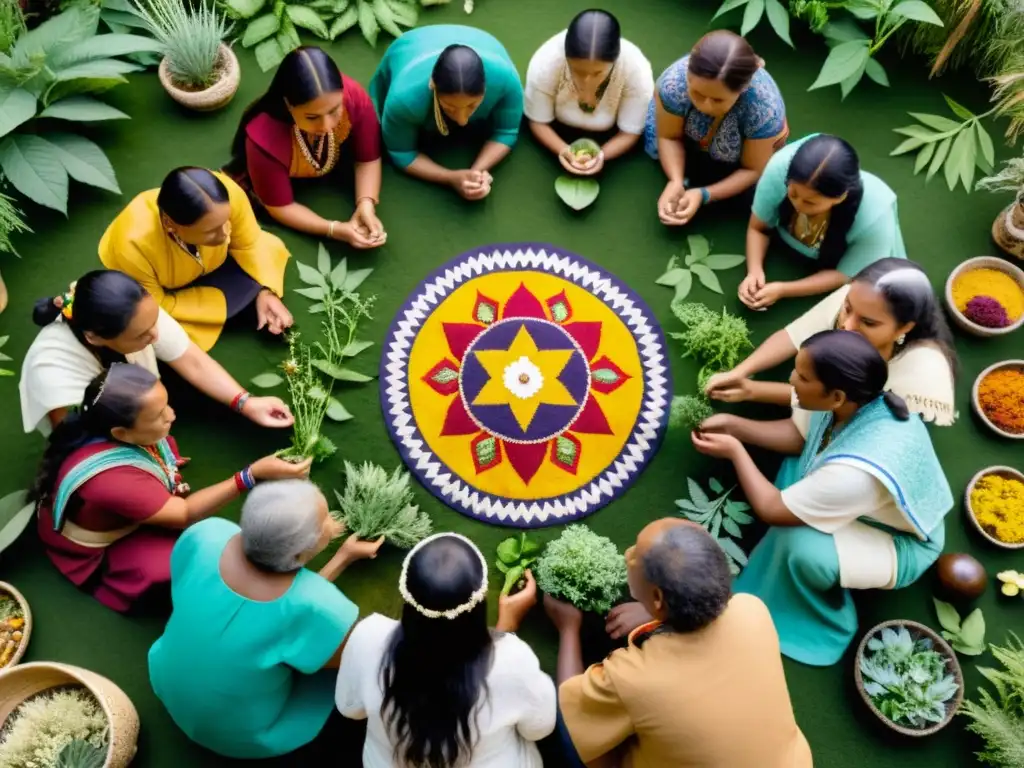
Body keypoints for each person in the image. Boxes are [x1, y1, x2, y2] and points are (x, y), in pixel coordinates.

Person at [693, 330, 953, 666]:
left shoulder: (852, 476)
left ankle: (819, 617)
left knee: (800, 545)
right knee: (793, 471)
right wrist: (736, 425)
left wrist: (736, 452)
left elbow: (773, 509)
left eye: (801, 376)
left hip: (902, 541)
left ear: (836, 396)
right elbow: (802, 440)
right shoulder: (856, 400)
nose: (791, 379)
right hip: (862, 501)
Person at [29, 363, 311, 613]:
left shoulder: (114, 430)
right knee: (186, 562)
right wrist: (251, 475)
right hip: (110, 540)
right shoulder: (111, 482)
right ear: (120, 434)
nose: (172, 415)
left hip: (124, 496)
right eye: (158, 415)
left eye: (166, 405)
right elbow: (184, 513)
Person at [547, 519, 811, 768]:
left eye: (635, 555)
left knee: (564, 722)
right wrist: (656, 613)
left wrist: (568, 628)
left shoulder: (633, 678)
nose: (628, 554)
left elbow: (573, 710)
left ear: (658, 597)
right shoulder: (752, 610)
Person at [149, 479, 382, 759]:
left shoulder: (206, 534)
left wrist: (341, 556)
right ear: (298, 553)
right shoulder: (323, 608)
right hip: (239, 733)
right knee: (345, 666)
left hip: (165, 681)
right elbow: (324, 641)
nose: (332, 524)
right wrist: (341, 557)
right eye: (324, 525)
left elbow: (284, 605)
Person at [335, 532, 556, 767]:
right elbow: (539, 728)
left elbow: (350, 709)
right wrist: (507, 630)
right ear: (479, 603)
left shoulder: (367, 637)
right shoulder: (514, 659)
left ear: (407, 597)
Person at [20, 270, 293, 436]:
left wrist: (246, 403)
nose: (156, 336)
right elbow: (77, 440)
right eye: (142, 335)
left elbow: (192, 360)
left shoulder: (134, 308)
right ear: (96, 337)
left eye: (154, 323)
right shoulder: (55, 378)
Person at [705, 257, 958, 432]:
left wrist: (750, 397)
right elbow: (794, 335)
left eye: (868, 323)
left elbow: (822, 418)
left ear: (904, 328)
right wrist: (740, 373)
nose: (847, 324)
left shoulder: (917, 377)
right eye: (847, 308)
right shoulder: (862, 298)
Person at [99, 166, 293, 351]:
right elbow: (156, 305)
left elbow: (250, 243)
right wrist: (238, 299)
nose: (225, 234)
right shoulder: (131, 245)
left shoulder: (230, 193)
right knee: (152, 326)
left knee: (269, 248)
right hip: (165, 288)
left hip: (215, 263)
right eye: (210, 231)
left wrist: (265, 290)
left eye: (226, 221)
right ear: (169, 223)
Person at [227, 46, 386, 249]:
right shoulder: (263, 140)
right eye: (312, 117)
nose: (327, 126)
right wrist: (334, 229)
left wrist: (366, 203)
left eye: (334, 110)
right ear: (288, 105)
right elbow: (280, 206)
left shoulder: (353, 96)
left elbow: (368, 158)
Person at [740, 133, 907, 310]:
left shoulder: (875, 216)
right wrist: (754, 271)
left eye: (810, 202)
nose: (798, 205)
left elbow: (844, 274)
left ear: (840, 197)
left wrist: (783, 290)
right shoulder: (779, 169)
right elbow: (758, 228)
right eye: (793, 194)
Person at [644, 30, 787, 227]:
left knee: (755, 190)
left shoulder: (765, 110)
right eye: (697, 93)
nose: (705, 106)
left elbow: (753, 169)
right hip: (690, 139)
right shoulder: (673, 84)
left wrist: (704, 194)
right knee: (654, 141)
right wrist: (675, 180)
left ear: (743, 89)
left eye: (718, 100)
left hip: (740, 157)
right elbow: (668, 137)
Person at [369, 25, 524, 201]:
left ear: (486, 87)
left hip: (483, 40)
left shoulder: (506, 80)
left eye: (472, 105)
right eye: (450, 107)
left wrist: (476, 172)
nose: (462, 120)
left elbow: (507, 131)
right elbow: (401, 153)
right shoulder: (403, 99)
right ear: (432, 85)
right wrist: (450, 178)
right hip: (412, 45)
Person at [524, 10, 654, 175]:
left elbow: (630, 132)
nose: (587, 81)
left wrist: (601, 155)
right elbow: (538, 121)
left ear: (615, 61)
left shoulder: (637, 72)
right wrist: (563, 150)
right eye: (577, 71)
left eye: (597, 73)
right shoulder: (545, 65)